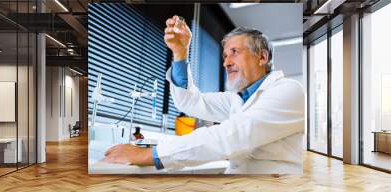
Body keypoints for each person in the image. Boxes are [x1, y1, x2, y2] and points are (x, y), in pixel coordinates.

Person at [103, 15, 305, 174]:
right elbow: (190, 102)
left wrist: (150, 154)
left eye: (234, 52)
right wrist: (180, 52)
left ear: (262, 57)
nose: (226, 62)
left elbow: (232, 134)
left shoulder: (288, 90)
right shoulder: (237, 98)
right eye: (225, 55)